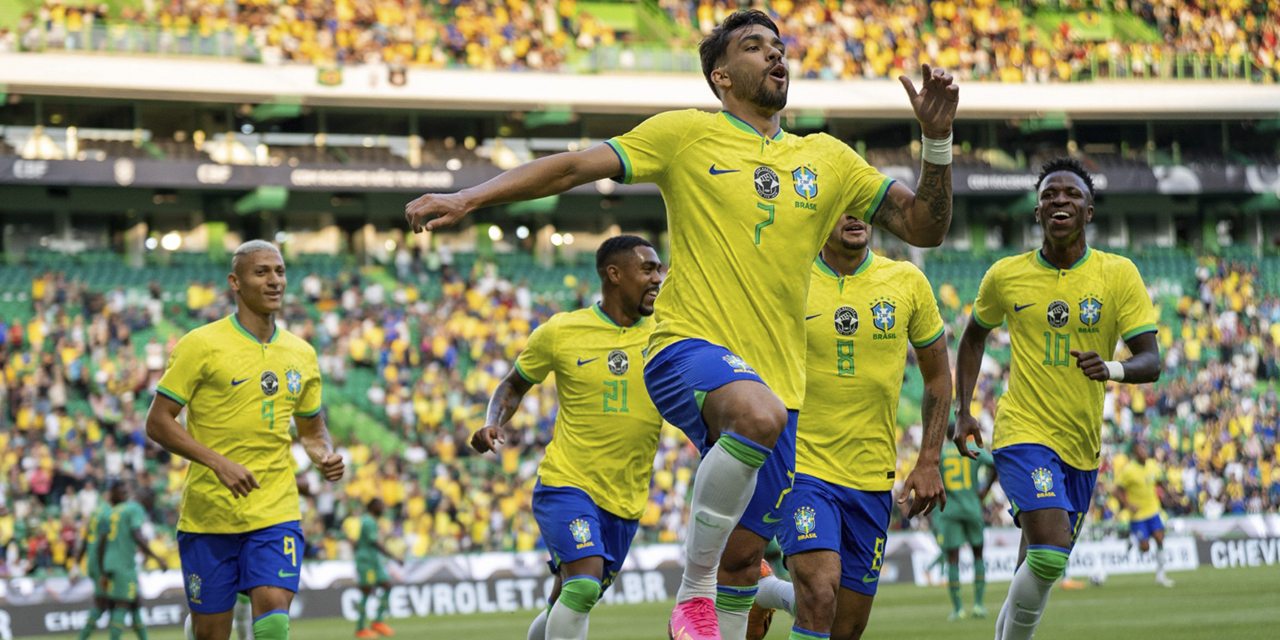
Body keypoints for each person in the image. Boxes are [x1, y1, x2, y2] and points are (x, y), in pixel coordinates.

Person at [407, 10, 958, 639]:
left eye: (781, 47)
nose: (777, 56)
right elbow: (570, 168)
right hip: (685, 351)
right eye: (756, 47)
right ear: (720, 77)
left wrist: (936, 143)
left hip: (782, 387)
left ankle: (705, 605)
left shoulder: (829, 160)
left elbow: (924, 228)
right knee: (756, 419)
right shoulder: (683, 136)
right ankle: (691, 593)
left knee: (744, 560)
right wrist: (468, 198)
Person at [953, 157, 1161, 640]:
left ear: (1089, 211)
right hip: (1022, 432)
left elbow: (1151, 361)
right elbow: (972, 337)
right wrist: (964, 411)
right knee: (1049, 554)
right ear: (1037, 212)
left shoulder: (1118, 274)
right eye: (1049, 195)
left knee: (1039, 569)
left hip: (1082, 448)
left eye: (1070, 194)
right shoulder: (1006, 275)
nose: (1059, 200)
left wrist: (1110, 368)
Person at [747, 216, 950, 640]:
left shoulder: (907, 281)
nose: (855, 216)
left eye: (862, 206)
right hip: (801, 470)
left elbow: (937, 376)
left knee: (844, 627)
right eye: (842, 206)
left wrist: (929, 458)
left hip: (871, 479)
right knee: (820, 594)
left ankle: (766, 591)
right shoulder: (787, 277)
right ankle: (774, 592)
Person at [146, 240, 346, 640]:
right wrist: (217, 462)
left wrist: (323, 454)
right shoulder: (200, 344)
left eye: (280, 271)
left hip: (275, 508)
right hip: (209, 515)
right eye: (262, 272)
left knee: (273, 619)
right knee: (211, 635)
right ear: (235, 282)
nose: (275, 281)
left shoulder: (301, 354)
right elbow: (158, 423)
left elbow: (311, 430)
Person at [470, 236, 666, 640]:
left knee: (569, 598)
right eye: (647, 269)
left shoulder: (668, 331)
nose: (657, 278)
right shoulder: (562, 331)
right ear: (614, 274)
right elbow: (513, 385)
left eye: (658, 269)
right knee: (583, 583)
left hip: (626, 500)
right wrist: (494, 420)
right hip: (567, 484)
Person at [935, 425, 997, 620]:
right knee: (978, 554)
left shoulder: (942, 453)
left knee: (953, 558)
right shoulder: (972, 448)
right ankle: (978, 605)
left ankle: (958, 609)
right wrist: (985, 490)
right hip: (972, 508)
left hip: (950, 510)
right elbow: (994, 464)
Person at [98, 481, 168, 640]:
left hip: (112, 562)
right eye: (151, 501)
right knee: (122, 604)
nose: (151, 505)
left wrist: (103, 569)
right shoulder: (136, 508)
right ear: (145, 498)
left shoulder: (116, 510)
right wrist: (157, 558)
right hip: (124, 564)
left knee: (135, 603)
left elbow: (102, 542)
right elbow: (137, 535)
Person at [1115, 442, 1174, 587]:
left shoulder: (1153, 465)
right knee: (1145, 548)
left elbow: (1159, 481)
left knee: (1160, 538)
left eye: (1145, 449)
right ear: (1135, 453)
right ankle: (1133, 539)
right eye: (1141, 450)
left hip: (1153, 510)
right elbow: (1117, 490)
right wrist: (1128, 505)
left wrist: (1170, 495)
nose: (1144, 452)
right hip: (1138, 515)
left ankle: (1161, 575)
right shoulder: (1128, 470)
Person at [355, 498, 403, 638]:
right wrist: (394, 557)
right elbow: (376, 543)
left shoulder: (372, 521)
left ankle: (377, 621)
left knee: (387, 585)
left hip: (374, 561)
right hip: (366, 562)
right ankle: (360, 629)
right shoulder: (368, 521)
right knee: (366, 591)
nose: (383, 508)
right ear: (373, 507)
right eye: (380, 505)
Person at [73, 492, 115, 640]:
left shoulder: (94, 514)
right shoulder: (109, 514)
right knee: (107, 604)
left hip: (92, 563)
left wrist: (76, 566)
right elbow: (102, 544)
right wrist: (104, 569)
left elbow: (85, 540)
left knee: (106, 603)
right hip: (102, 563)